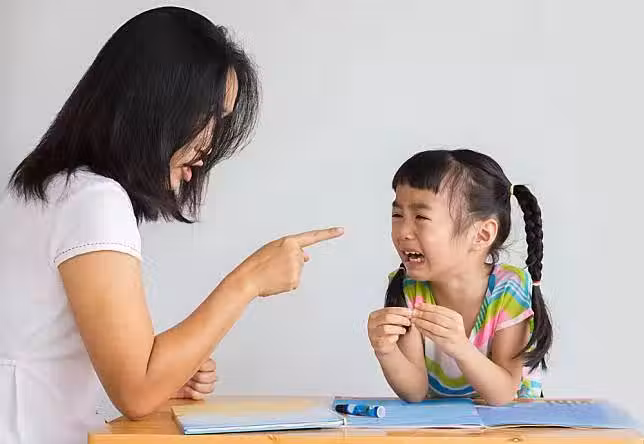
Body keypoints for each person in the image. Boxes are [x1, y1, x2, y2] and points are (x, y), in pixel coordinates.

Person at [0, 7, 342, 444]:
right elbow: (137, 390)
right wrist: (249, 280)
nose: (211, 141)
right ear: (155, 103)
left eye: (222, 120)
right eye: (208, 114)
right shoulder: (93, 201)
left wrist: (168, 371)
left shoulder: (46, 187)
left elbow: (120, 372)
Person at [367, 149, 552, 405]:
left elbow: (503, 394)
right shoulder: (408, 287)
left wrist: (461, 347)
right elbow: (415, 392)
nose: (403, 232)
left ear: (482, 235)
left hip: (511, 422)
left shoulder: (509, 288)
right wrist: (386, 351)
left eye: (421, 217)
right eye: (397, 215)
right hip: (449, 423)